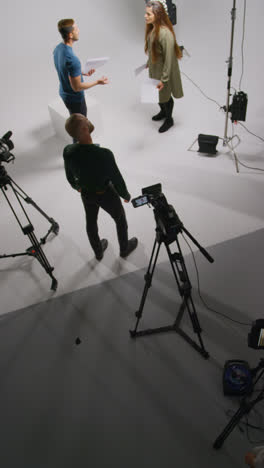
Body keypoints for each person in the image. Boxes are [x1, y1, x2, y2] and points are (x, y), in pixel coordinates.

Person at [63, 113, 138, 260]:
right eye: (86, 120)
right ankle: (124, 248)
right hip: (105, 194)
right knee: (120, 219)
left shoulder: (68, 150)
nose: (88, 120)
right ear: (85, 128)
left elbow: (69, 175)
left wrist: (76, 186)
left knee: (91, 222)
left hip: (85, 194)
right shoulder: (104, 154)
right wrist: (125, 195)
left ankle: (98, 252)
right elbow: (116, 178)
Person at [53, 19, 108, 120]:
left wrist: (82, 73)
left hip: (64, 93)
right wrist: (97, 82)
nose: (78, 31)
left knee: (75, 123)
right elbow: (77, 87)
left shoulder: (58, 49)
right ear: (70, 35)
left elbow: (64, 69)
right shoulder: (73, 59)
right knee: (80, 127)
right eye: (76, 29)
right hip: (75, 100)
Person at [144, 1, 183, 133]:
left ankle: (169, 118)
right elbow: (153, 50)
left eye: (148, 14)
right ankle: (162, 112)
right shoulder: (153, 30)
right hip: (155, 69)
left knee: (165, 96)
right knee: (157, 95)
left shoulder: (166, 34)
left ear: (158, 14)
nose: (145, 16)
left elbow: (169, 59)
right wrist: (149, 63)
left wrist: (164, 79)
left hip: (164, 72)